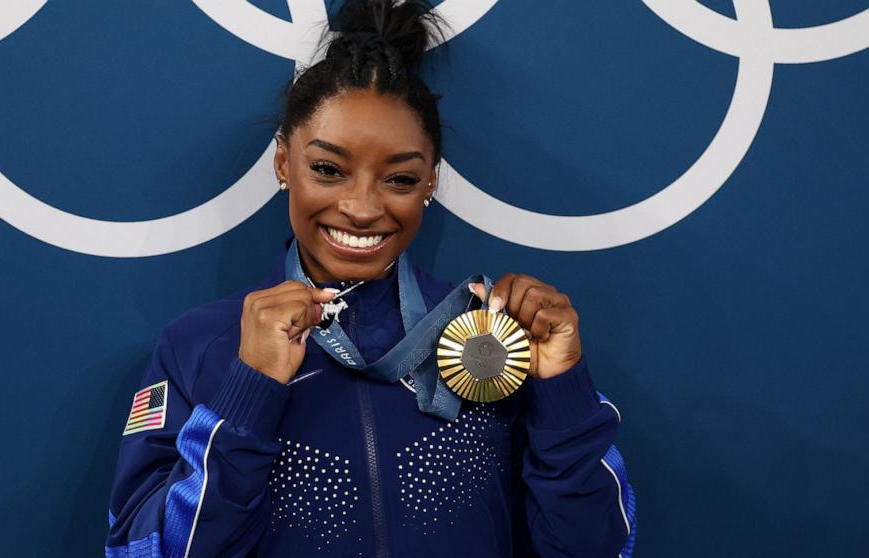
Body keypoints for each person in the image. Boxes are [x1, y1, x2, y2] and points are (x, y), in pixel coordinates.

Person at [105, 1, 636, 556]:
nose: (361, 208)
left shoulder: (492, 340)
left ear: (430, 181)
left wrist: (563, 391)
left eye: (400, 178)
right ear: (284, 163)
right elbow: (146, 551)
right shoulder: (202, 347)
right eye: (328, 170)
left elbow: (596, 550)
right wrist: (247, 393)